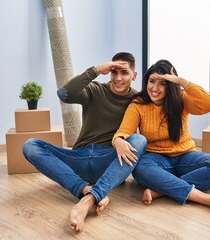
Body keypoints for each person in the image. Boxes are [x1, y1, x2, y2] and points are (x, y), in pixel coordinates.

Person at [22, 52, 147, 231]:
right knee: (30, 145)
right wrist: (96, 70)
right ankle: (85, 189)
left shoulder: (138, 100)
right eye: (114, 72)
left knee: (139, 140)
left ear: (134, 75)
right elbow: (64, 93)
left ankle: (89, 199)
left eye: (124, 73)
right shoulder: (96, 90)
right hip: (78, 158)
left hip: (109, 160)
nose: (118, 78)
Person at [112, 59, 210, 215]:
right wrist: (118, 141)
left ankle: (162, 190)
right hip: (156, 159)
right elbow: (123, 131)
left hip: (186, 157)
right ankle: (203, 198)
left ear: (170, 85)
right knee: (140, 169)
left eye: (162, 83)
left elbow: (209, 104)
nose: (155, 88)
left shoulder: (181, 99)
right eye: (152, 81)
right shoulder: (138, 104)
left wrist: (182, 82)